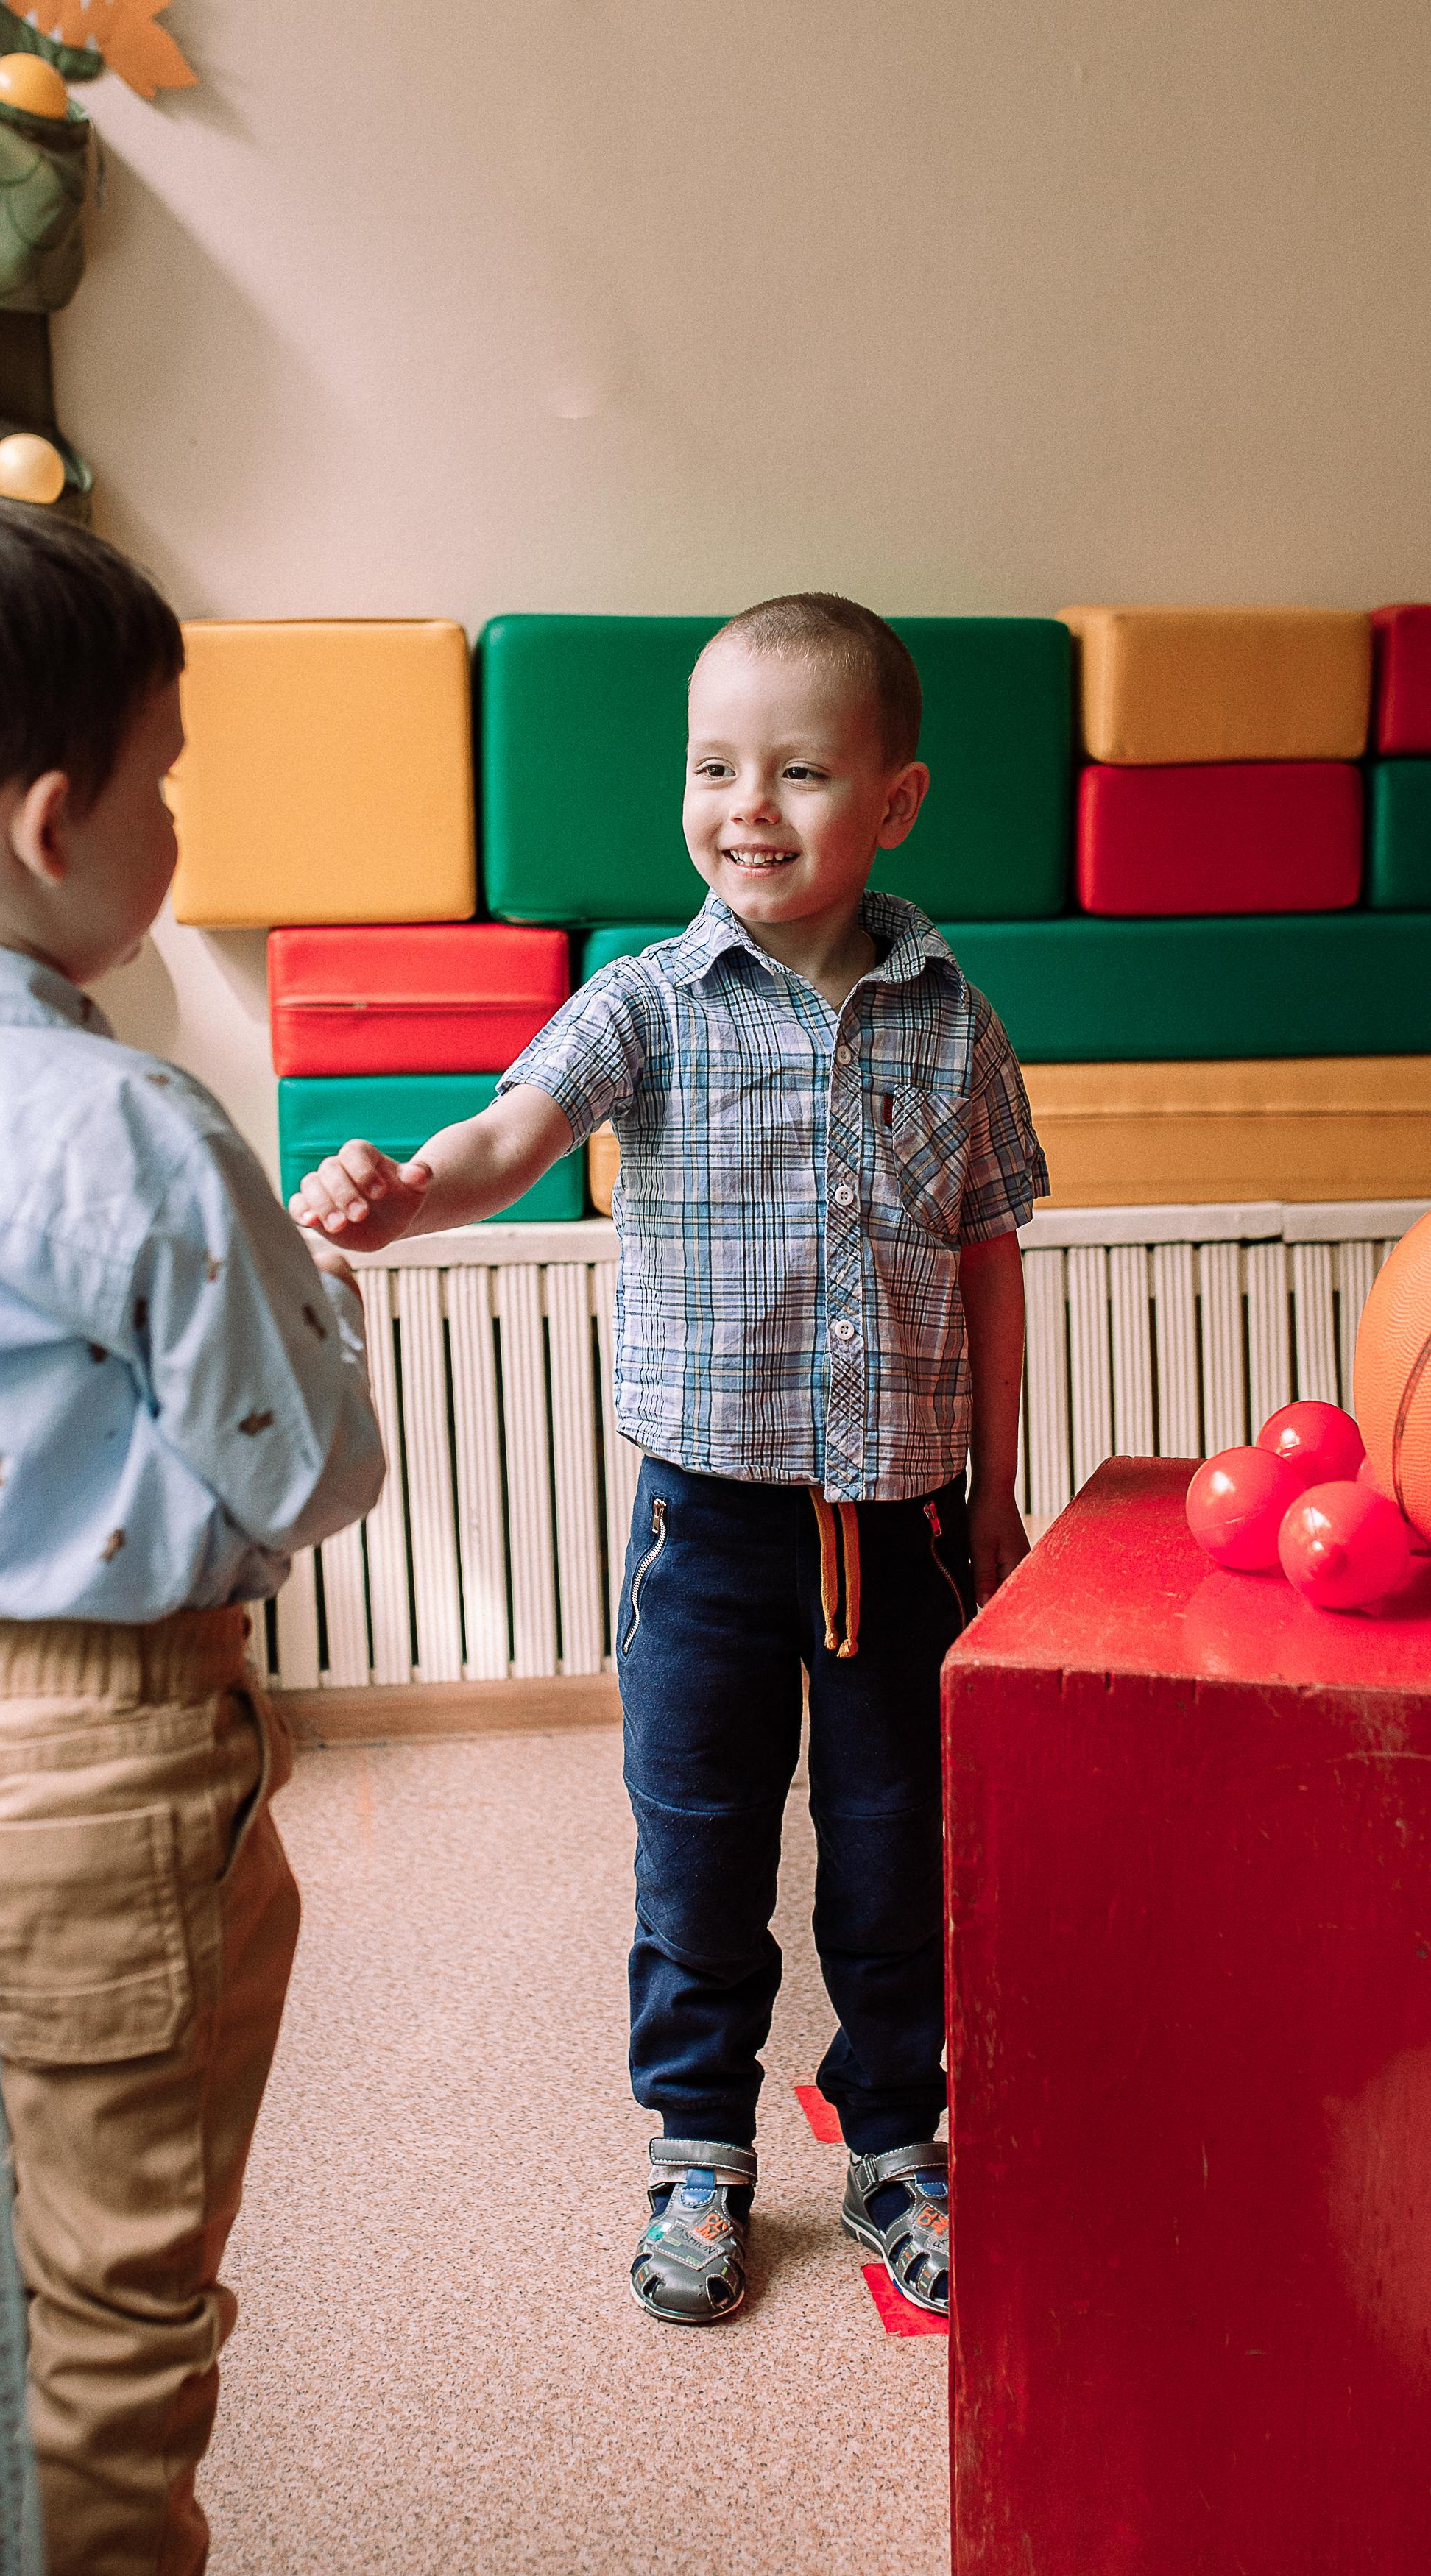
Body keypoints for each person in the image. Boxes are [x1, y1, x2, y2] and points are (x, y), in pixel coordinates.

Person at [289, 592, 1046, 2326]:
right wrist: (405, 1190)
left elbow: (994, 1253)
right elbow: (503, 1131)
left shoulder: (957, 1021)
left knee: (896, 1842)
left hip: (906, 1521)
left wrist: (999, 1492)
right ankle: (699, 2143)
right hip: (707, 1525)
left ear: (896, 801)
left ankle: (897, 2138)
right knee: (695, 1842)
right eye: (714, 767)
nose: (747, 806)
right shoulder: (650, 1000)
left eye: (798, 769)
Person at [0, 490, 384, 2568]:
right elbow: (306, 1469)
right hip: (98, 1757)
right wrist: (312, 1301)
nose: (178, 824)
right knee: (114, 2307)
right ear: (59, 822)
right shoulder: (131, 1127)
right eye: (170, 778)